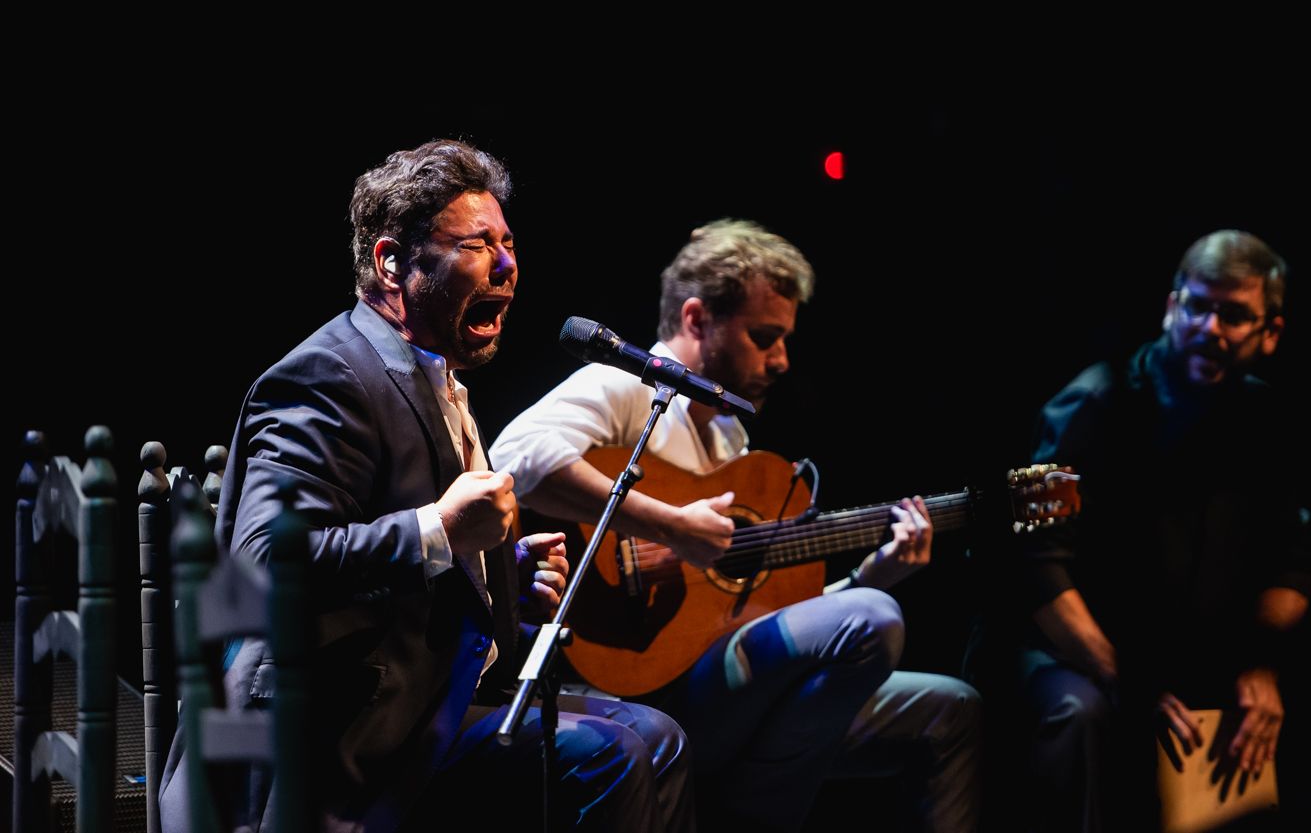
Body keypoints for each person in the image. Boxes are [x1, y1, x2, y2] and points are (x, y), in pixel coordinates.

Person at [159, 139, 693, 833]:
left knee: (661, 739)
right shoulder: (327, 377)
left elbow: (426, 560)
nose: (507, 264)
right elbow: (263, 561)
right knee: (609, 757)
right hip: (343, 739)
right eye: (478, 243)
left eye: (508, 242)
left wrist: (502, 577)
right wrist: (438, 530)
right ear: (391, 262)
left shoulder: (436, 376)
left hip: (433, 703)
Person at [490, 219, 981, 833]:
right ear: (697, 320)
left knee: (949, 706)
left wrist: (872, 574)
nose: (781, 361)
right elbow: (514, 458)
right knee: (873, 620)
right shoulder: (621, 386)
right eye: (764, 337)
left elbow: (748, 613)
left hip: (720, 682)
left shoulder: (729, 434)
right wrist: (670, 525)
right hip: (635, 684)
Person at [1016, 229, 1311, 832]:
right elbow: (1034, 566)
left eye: (1233, 316)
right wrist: (1124, 673)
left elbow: (1294, 563)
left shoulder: (1269, 420)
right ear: (1171, 306)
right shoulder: (1086, 404)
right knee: (1080, 714)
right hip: (1069, 650)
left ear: (1270, 333)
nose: (1210, 328)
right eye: (1198, 306)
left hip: (1187, 650)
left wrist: (1260, 665)